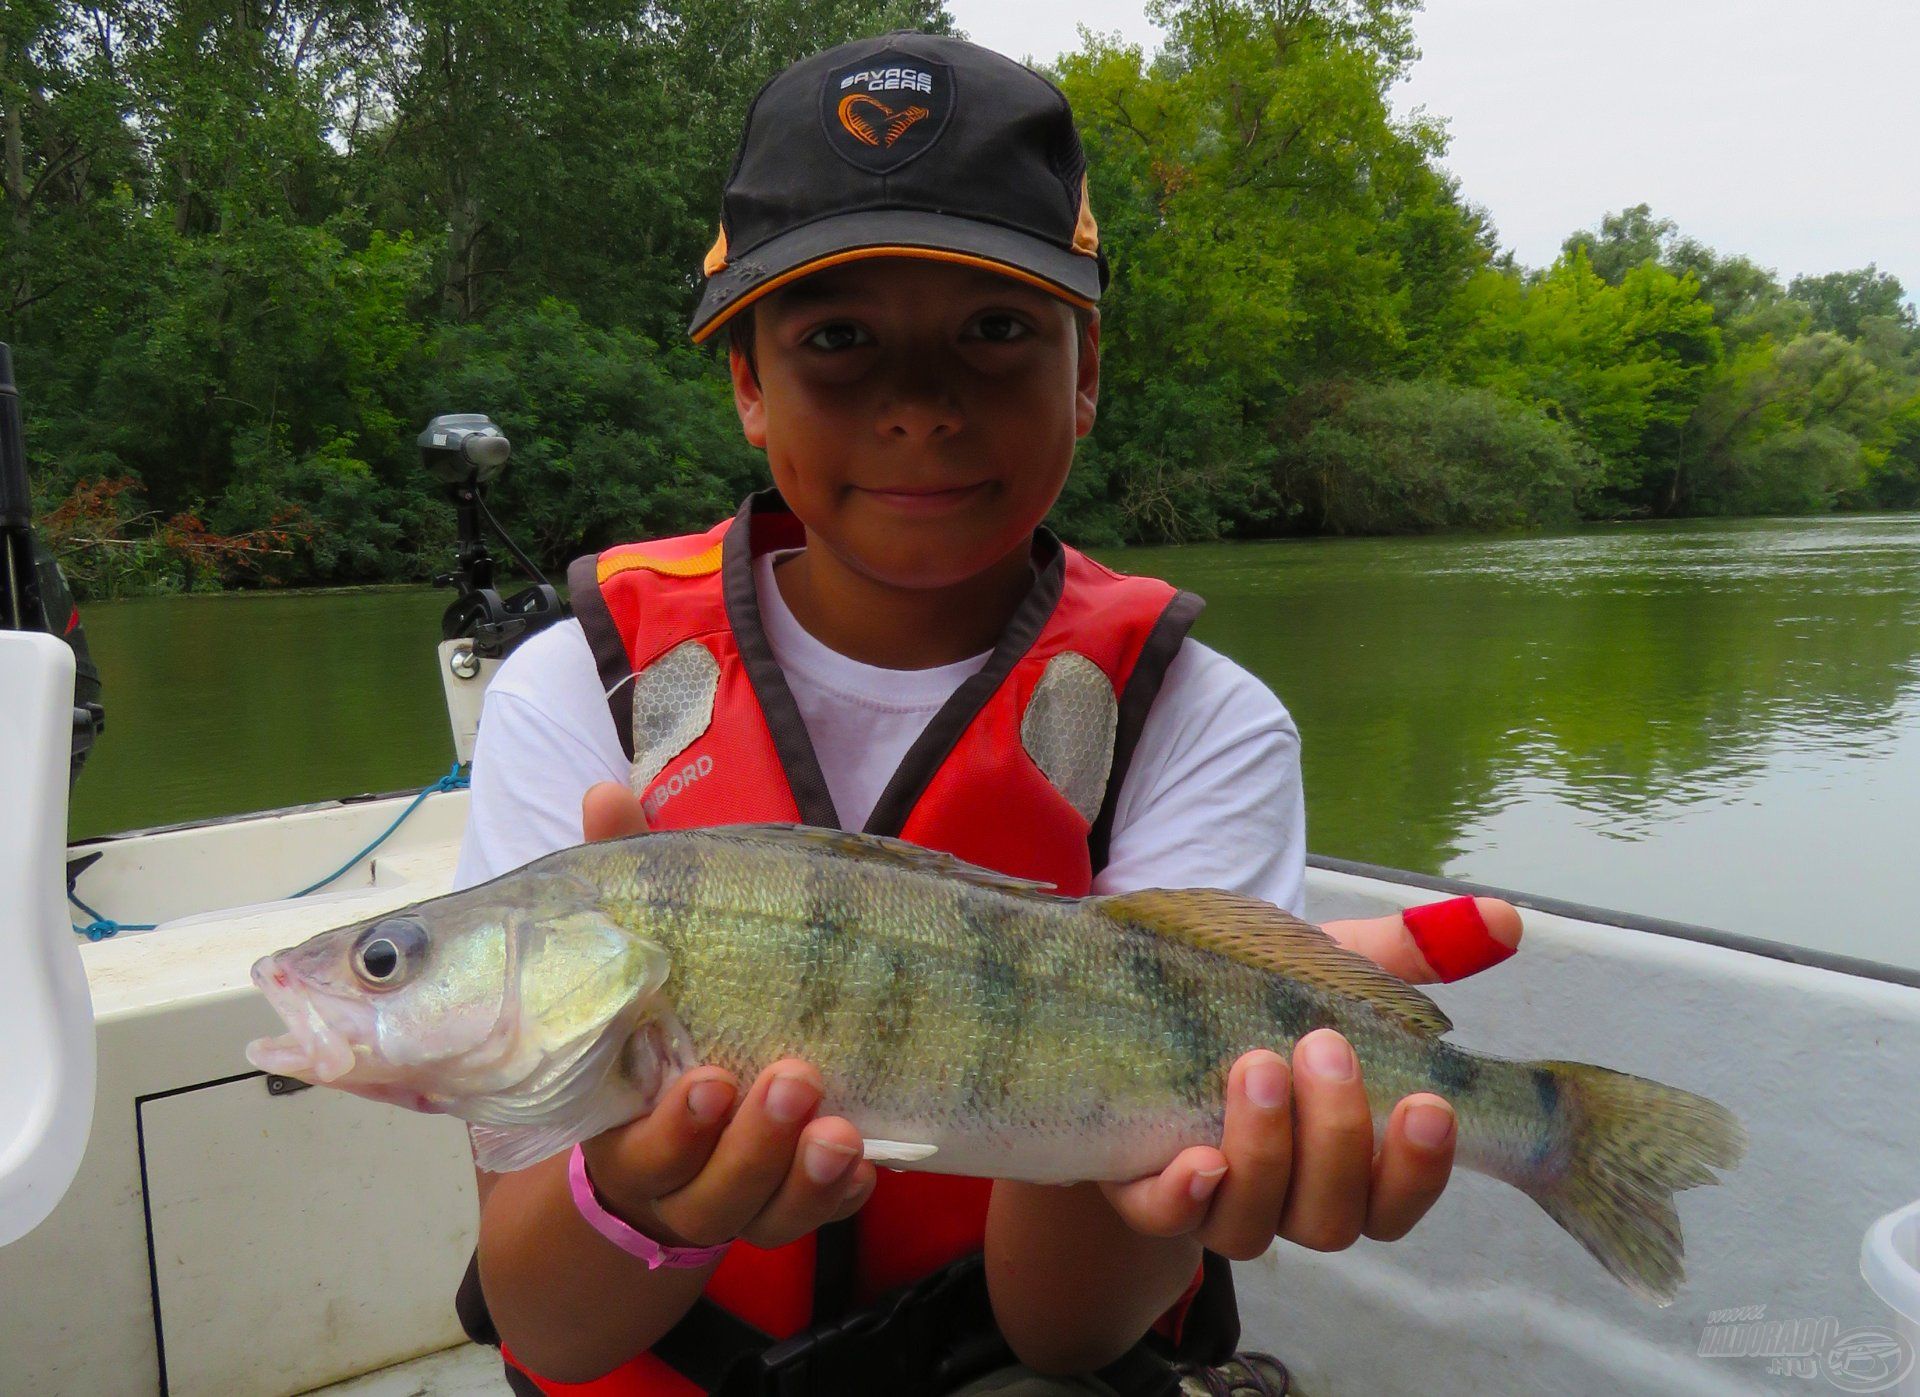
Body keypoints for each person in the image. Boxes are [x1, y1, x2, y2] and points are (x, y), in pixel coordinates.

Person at [450, 31, 1522, 1397]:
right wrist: (641, 1193)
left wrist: (1159, 1143)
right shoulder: (581, 685)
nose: (919, 406)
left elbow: (1068, 1333)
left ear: (1085, 372)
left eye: (997, 331)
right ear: (746, 386)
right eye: (837, 340)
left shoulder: (1199, 721)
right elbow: (548, 1328)